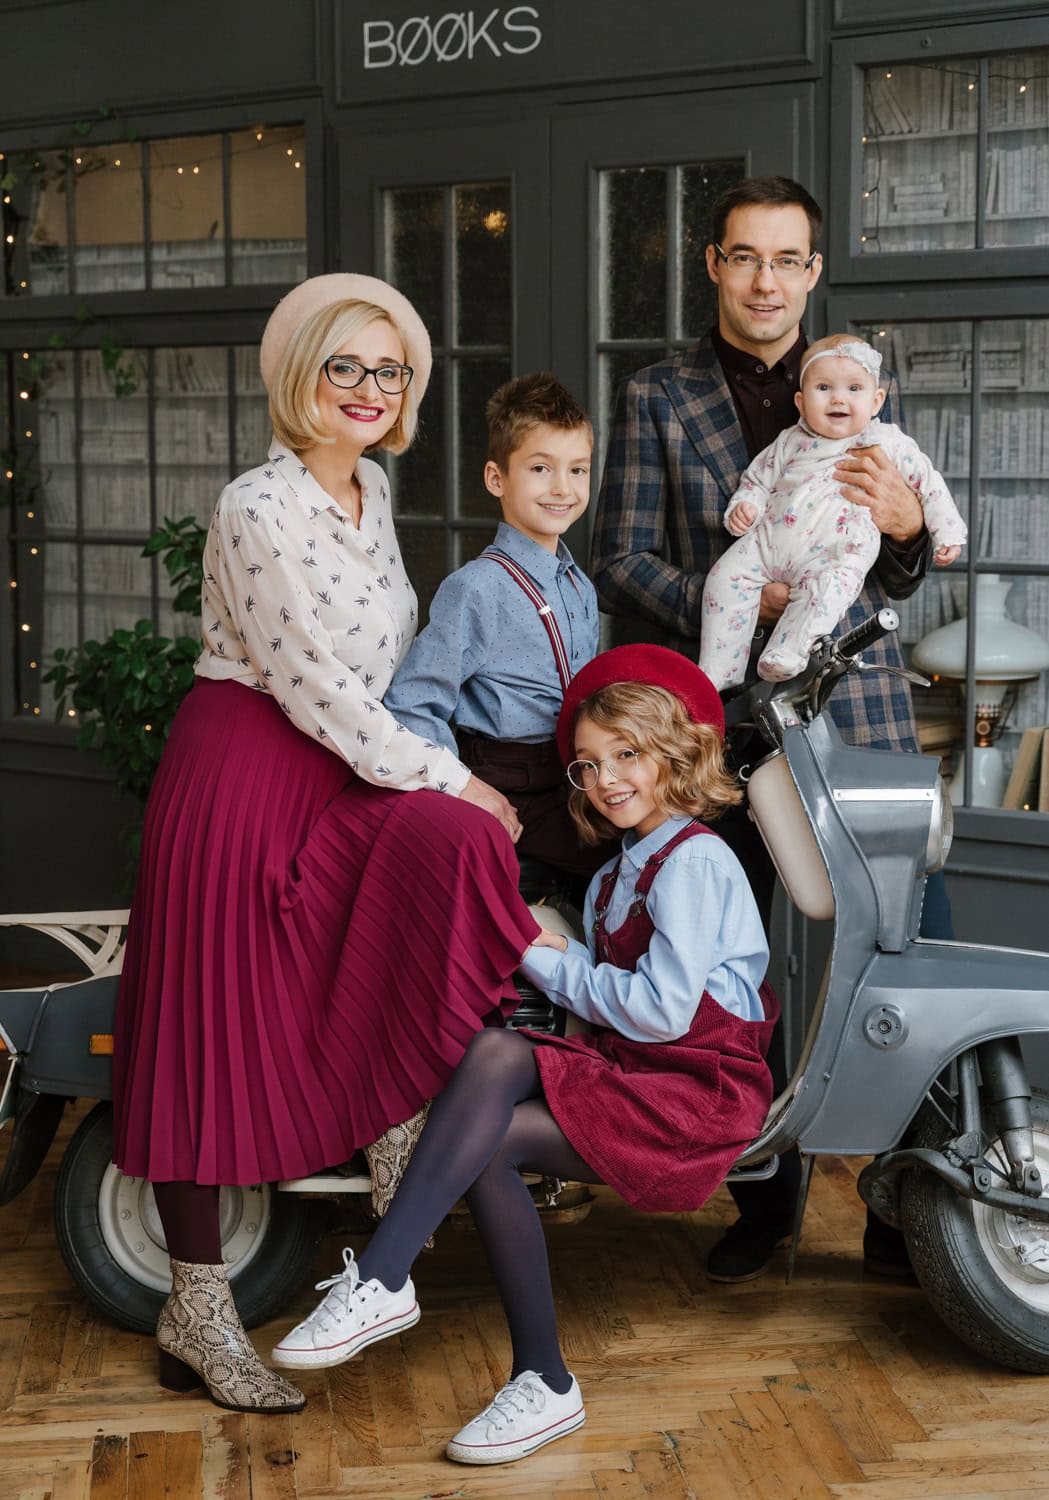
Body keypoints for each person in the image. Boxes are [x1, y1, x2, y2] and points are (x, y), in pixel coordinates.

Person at [111, 273, 543, 1415]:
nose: (366, 388)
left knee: (444, 862)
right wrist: (449, 775)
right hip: (248, 768)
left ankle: (402, 1155)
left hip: (349, 762)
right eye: (343, 364)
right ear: (298, 371)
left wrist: (465, 763)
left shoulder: (374, 490)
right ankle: (196, 1309)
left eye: (388, 369)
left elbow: (387, 671)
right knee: (213, 1027)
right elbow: (308, 683)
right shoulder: (254, 505)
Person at [271, 645, 777, 1467]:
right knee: (491, 1088)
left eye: (627, 755)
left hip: (694, 1091)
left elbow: (656, 1013)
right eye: (588, 765)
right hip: (641, 1076)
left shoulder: (694, 862)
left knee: (495, 1080)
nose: (607, 778)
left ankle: (405, 1291)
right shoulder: (621, 873)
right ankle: (513, 1364)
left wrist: (536, 952)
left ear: (674, 753)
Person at [590, 175, 954, 1285]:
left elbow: (905, 563)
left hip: (859, 704)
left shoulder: (860, 397)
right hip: (718, 721)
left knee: (906, 947)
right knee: (730, 963)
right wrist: (728, 596)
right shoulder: (657, 393)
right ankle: (758, 1195)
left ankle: (917, 1208)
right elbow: (616, 551)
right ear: (713, 266)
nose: (764, 280)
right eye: (743, 257)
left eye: (786, 259)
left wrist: (899, 531)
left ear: (811, 270)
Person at [385, 371, 612, 885]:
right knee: (617, 857)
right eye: (540, 468)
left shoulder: (580, 587)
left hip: (572, 776)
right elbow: (413, 705)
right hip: (512, 785)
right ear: (496, 479)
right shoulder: (475, 589)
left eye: (577, 470)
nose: (563, 488)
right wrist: (465, 791)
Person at [700, 332, 966, 689]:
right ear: (800, 401)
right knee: (723, 580)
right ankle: (718, 669)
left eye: (854, 389)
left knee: (828, 591)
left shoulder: (885, 441)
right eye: (823, 388)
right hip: (769, 543)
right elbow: (758, 479)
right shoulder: (790, 440)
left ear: (876, 401)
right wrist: (746, 504)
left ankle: (789, 649)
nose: (838, 398)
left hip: (833, 551)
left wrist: (945, 530)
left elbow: (928, 484)